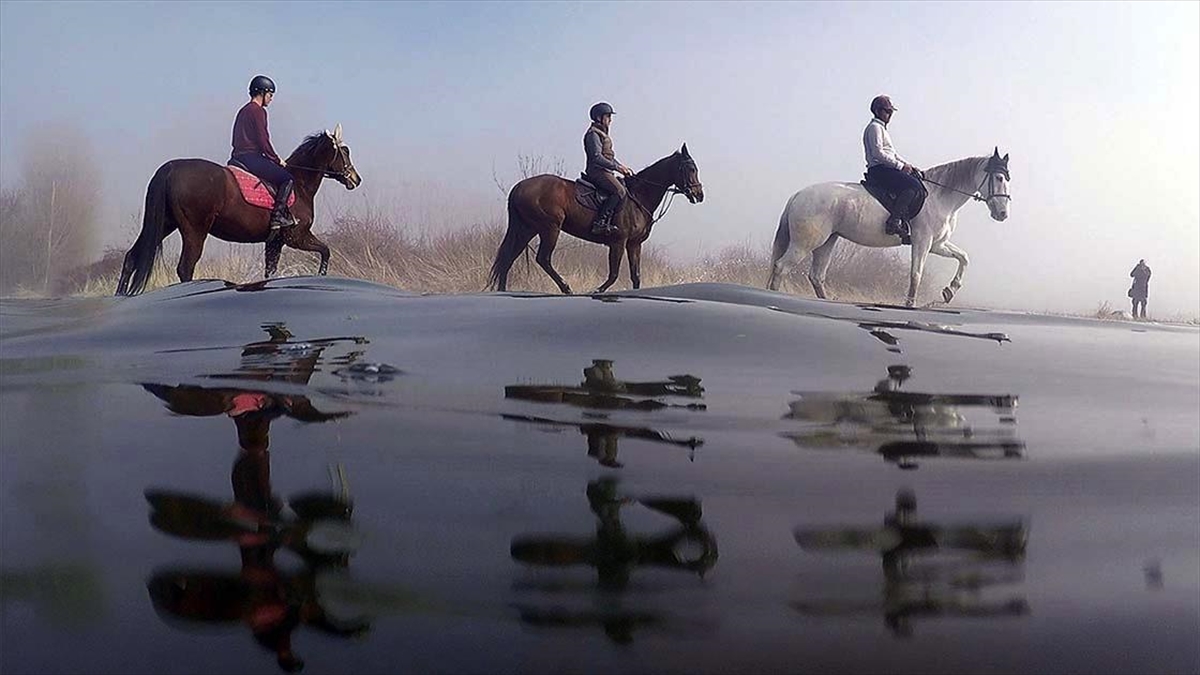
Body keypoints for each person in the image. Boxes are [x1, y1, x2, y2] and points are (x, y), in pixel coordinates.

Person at [231, 75, 295, 231]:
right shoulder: (258, 111)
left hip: (237, 156)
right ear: (263, 92)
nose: (271, 99)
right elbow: (263, 139)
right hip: (251, 158)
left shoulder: (243, 110)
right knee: (287, 179)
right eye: (270, 95)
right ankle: (277, 216)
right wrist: (276, 159)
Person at [863, 95, 926, 239]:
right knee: (914, 186)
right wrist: (899, 166)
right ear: (878, 111)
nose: (889, 114)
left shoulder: (882, 129)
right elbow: (878, 153)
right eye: (887, 111)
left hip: (886, 167)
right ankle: (894, 221)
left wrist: (908, 166)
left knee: (914, 180)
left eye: (891, 112)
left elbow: (893, 154)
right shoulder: (874, 128)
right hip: (879, 169)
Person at [583, 102, 635, 236]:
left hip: (606, 170)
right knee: (619, 191)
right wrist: (617, 167)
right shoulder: (593, 134)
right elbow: (596, 157)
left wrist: (622, 167)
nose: (610, 120)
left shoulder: (602, 134)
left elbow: (610, 157)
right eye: (608, 116)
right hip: (597, 171)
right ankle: (599, 223)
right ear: (599, 117)